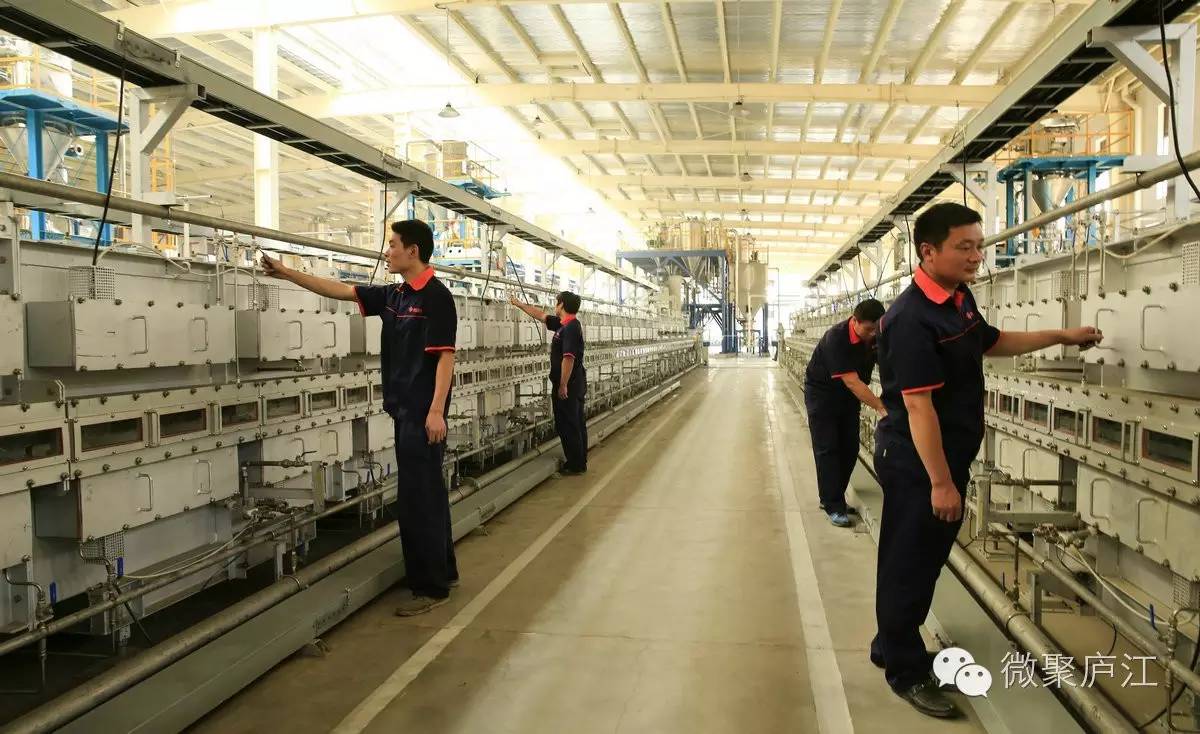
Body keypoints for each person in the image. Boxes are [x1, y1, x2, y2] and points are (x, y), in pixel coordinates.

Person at [869, 202, 1102, 718]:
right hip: (917, 463)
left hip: (941, 459)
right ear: (928, 251)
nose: (977, 256)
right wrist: (941, 483)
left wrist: (1061, 336)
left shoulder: (957, 298)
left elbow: (991, 341)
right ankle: (905, 671)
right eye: (964, 247)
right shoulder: (911, 318)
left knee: (920, 560)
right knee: (909, 565)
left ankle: (891, 644)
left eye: (980, 245)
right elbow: (918, 407)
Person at [261, 220, 459, 617]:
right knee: (427, 494)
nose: (387, 251)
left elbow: (445, 357)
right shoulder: (395, 296)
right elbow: (340, 290)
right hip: (404, 411)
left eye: (393, 245)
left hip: (423, 414)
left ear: (413, 251)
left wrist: (436, 411)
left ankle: (430, 588)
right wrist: (286, 273)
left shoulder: (436, 297)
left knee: (418, 500)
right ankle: (441, 572)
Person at [803, 298, 886, 528]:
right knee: (828, 448)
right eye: (868, 329)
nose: (872, 334)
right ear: (855, 321)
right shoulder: (836, 338)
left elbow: (887, 361)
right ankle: (833, 504)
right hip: (822, 395)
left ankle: (833, 496)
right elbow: (852, 381)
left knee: (850, 448)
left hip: (847, 397)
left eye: (876, 329)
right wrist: (880, 406)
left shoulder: (875, 336)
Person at [509, 291, 588, 475]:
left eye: (556, 302)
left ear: (562, 305)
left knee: (569, 423)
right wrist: (519, 304)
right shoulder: (563, 324)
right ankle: (579, 460)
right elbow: (541, 316)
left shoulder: (571, 328)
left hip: (570, 384)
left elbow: (568, 358)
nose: (554, 305)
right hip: (572, 383)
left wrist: (563, 384)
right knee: (574, 421)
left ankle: (576, 464)